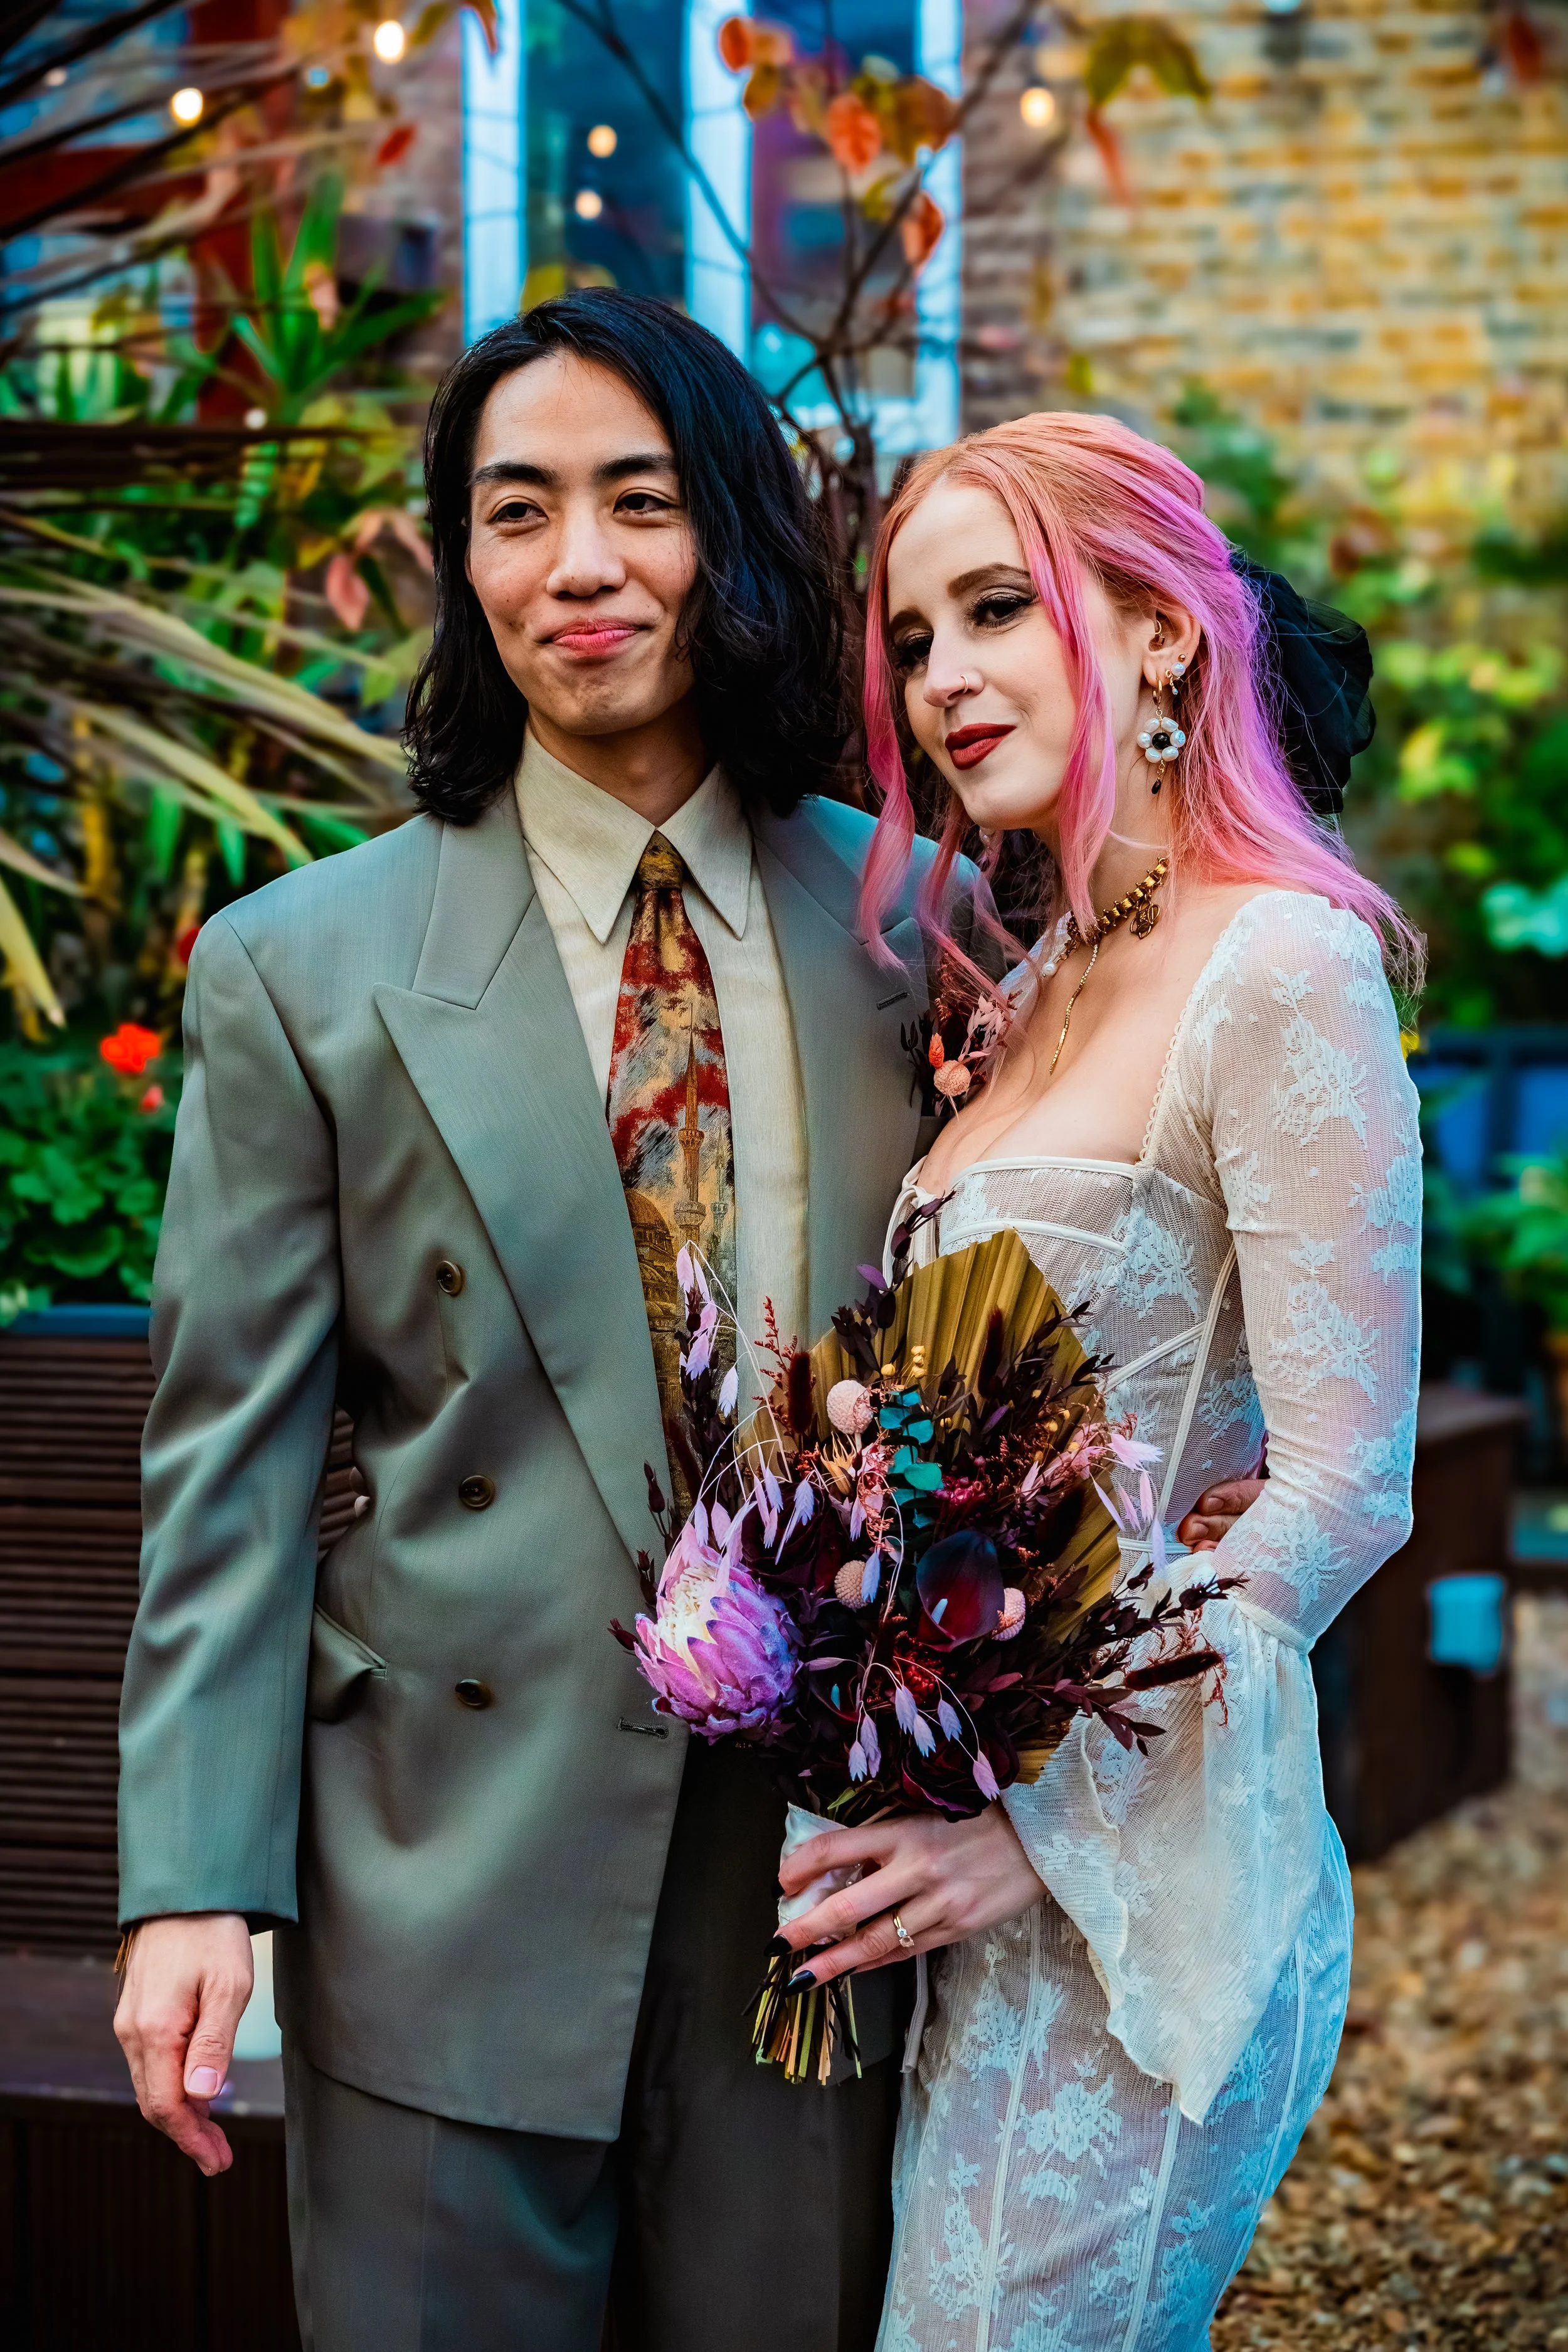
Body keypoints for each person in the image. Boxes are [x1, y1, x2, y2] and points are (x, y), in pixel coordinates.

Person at [110, 290, 991, 2352]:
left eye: (638, 501)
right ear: (464, 561)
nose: (576, 565)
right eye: (516, 511)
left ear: (733, 538)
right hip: (447, 1866)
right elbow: (227, 1468)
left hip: (818, 1889)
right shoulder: (300, 967)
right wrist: (191, 1882)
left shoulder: (921, 924)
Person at [775, 411, 1422, 2351]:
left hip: (1142, 1899)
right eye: (912, 637)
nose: (944, 675)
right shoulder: (1039, 976)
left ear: (1158, 630)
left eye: (997, 608)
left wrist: (1030, 1822)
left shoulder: (1280, 961)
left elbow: (1345, 1480)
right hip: (967, 1869)